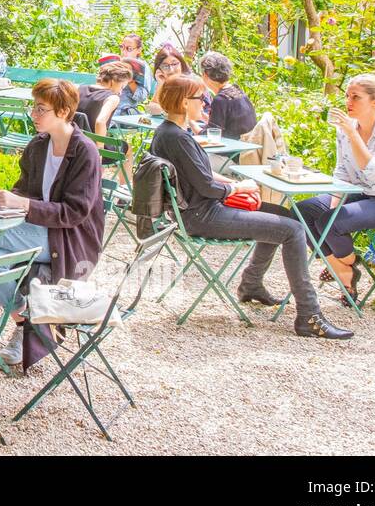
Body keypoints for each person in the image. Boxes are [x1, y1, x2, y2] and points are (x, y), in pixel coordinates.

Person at [148, 73, 352, 339]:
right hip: (203, 216)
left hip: (195, 211)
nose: (205, 104)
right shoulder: (178, 137)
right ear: (185, 103)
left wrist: (237, 181)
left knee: (281, 214)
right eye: (201, 99)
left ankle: (251, 285)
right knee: (292, 230)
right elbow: (207, 187)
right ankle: (309, 316)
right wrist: (239, 187)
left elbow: (201, 173)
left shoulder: (169, 132)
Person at [0, 79, 104, 368]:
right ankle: (22, 316)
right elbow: (25, 190)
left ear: (63, 111)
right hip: (38, 230)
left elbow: (75, 213)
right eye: (34, 107)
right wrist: (1, 196)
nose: (33, 114)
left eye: (41, 109)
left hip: (70, 239)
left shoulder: (85, 152)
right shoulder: (38, 146)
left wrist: (21, 204)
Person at [295, 74, 375, 302]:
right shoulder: (346, 127)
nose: (348, 102)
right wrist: (335, 200)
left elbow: (373, 171)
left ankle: (345, 267)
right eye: (347, 96)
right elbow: (342, 169)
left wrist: (353, 135)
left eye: (356, 97)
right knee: (300, 213)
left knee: (328, 222)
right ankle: (344, 270)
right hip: (359, 193)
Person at [199, 51, 257, 140]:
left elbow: (212, 135)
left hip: (234, 151)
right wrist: (206, 118)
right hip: (248, 147)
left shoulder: (221, 99)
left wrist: (192, 124)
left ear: (205, 75)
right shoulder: (238, 91)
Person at [77, 61, 133, 135]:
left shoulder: (78, 89)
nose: (120, 92)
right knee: (126, 146)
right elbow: (100, 122)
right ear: (113, 81)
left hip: (72, 139)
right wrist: (100, 146)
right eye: (121, 87)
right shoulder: (112, 98)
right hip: (91, 142)